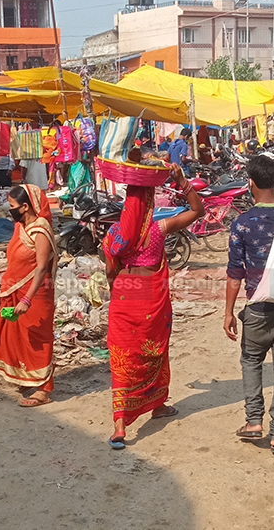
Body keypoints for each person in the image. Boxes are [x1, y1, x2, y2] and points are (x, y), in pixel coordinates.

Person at [103, 162, 205, 450]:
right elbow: (198, 211)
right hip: (151, 298)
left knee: (123, 358)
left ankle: (120, 424)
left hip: (125, 297)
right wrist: (183, 182)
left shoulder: (113, 236)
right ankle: (157, 404)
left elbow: (110, 272)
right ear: (149, 202)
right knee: (154, 351)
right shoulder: (159, 228)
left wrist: (121, 289)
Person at [224, 155, 274, 457]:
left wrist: (229, 312)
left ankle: (254, 421)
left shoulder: (241, 223)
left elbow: (235, 274)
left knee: (251, 361)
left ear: (251, 184)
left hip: (257, 309)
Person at [0, 184, 57, 407]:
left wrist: (27, 299)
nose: (9, 210)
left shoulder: (40, 230)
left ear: (26, 206)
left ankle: (44, 390)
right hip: (14, 288)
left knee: (38, 338)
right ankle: (26, 376)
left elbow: (40, 268)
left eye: (12, 206)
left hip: (36, 293)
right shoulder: (21, 226)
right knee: (14, 334)